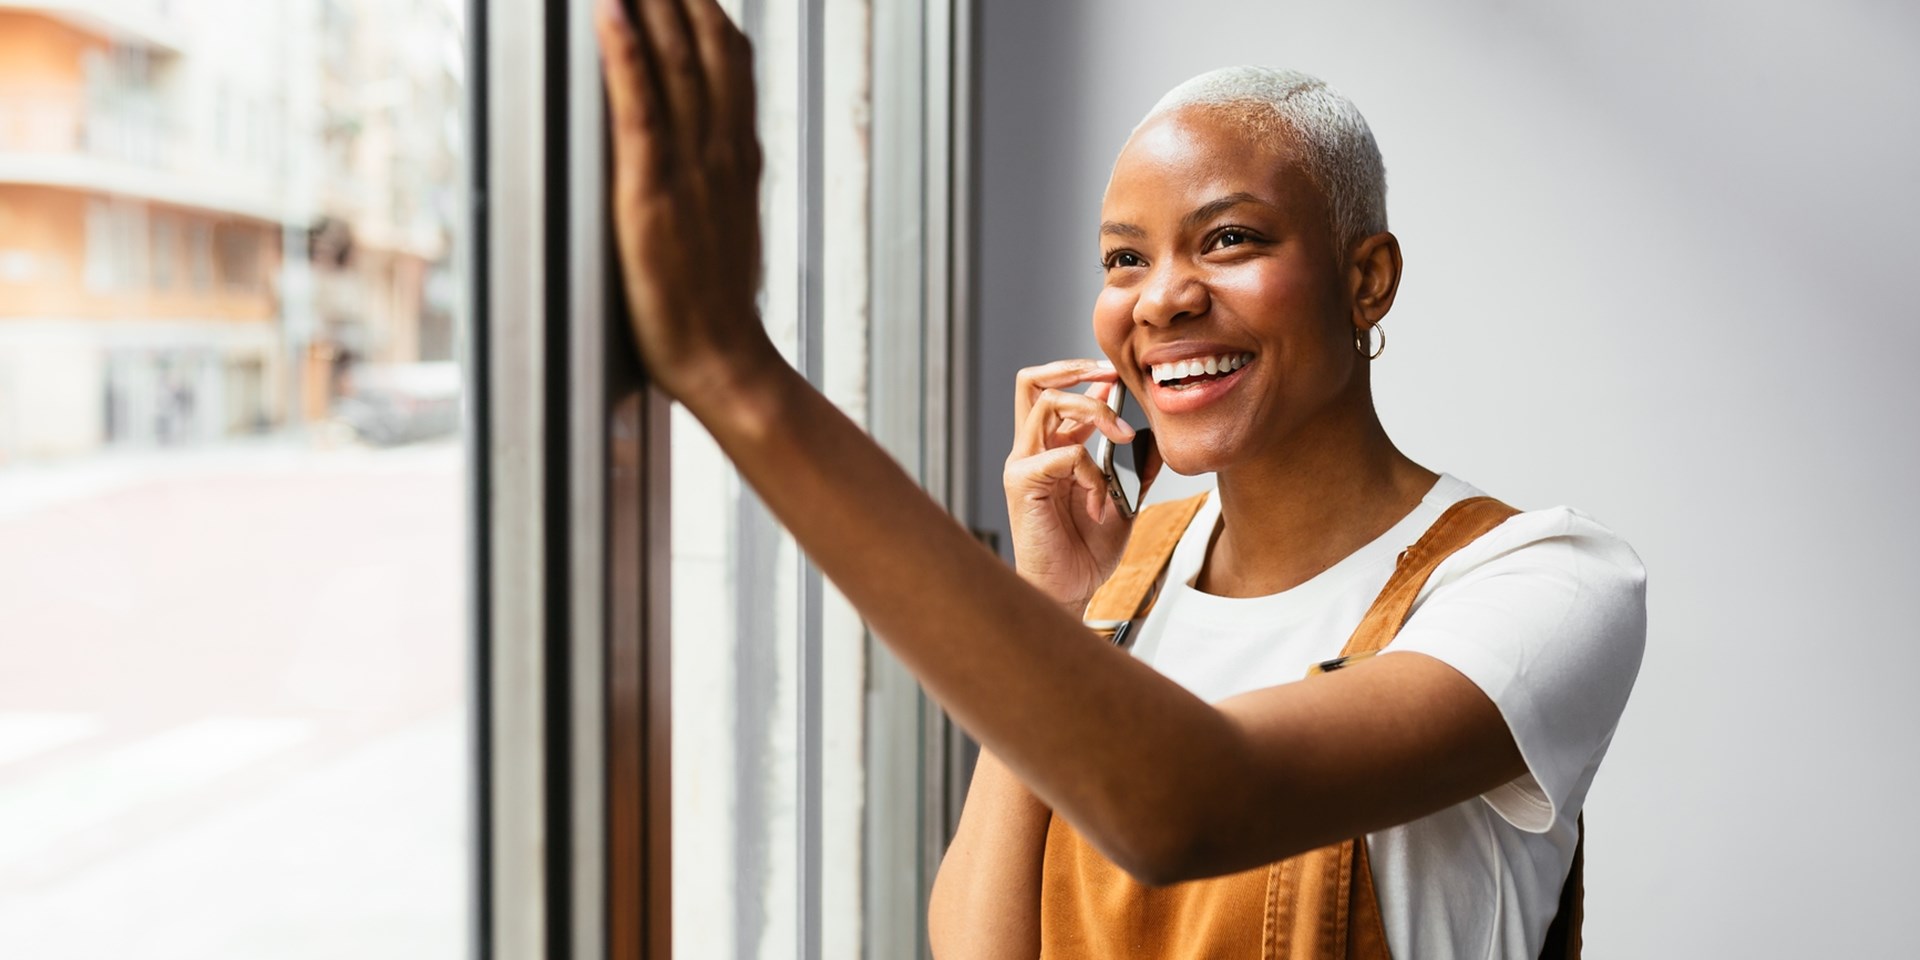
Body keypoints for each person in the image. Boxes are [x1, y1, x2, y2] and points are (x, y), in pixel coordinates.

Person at [594, 2, 1646, 957]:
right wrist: (1061, 611)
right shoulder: (1123, 577)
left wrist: (740, 377)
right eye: (1124, 259)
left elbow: (1187, 804)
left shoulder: (1540, 582)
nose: (1163, 300)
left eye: (1229, 239)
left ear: (1365, 280)